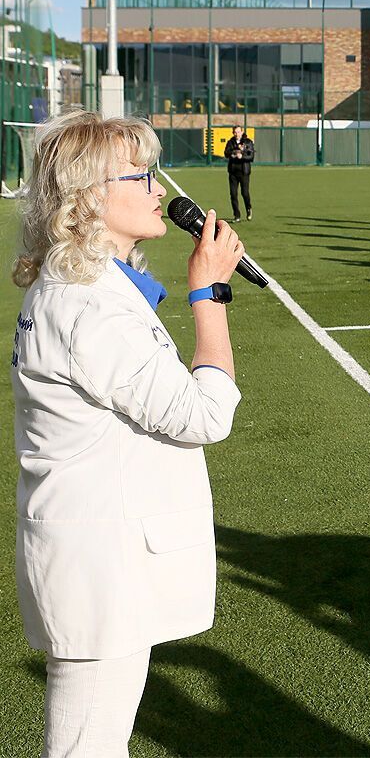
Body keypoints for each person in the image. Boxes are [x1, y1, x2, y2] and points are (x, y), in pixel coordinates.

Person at [11, 111, 245, 755]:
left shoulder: (91, 286)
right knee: (87, 743)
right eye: (139, 174)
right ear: (88, 197)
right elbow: (205, 416)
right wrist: (210, 295)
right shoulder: (87, 304)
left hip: (99, 556)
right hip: (99, 564)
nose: (158, 189)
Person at [224, 124, 255, 222]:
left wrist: (242, 156)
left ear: (241, 132)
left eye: (238, 132)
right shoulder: (231, 142)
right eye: (235, 132)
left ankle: (248, 209)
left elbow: (251, 156)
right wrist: (233, 153)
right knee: (233, 194)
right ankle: (236, 215)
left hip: (244, 171)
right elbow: (226, 153)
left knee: (244, 193)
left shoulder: (248, 142)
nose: (236, 134)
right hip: (233, 171)